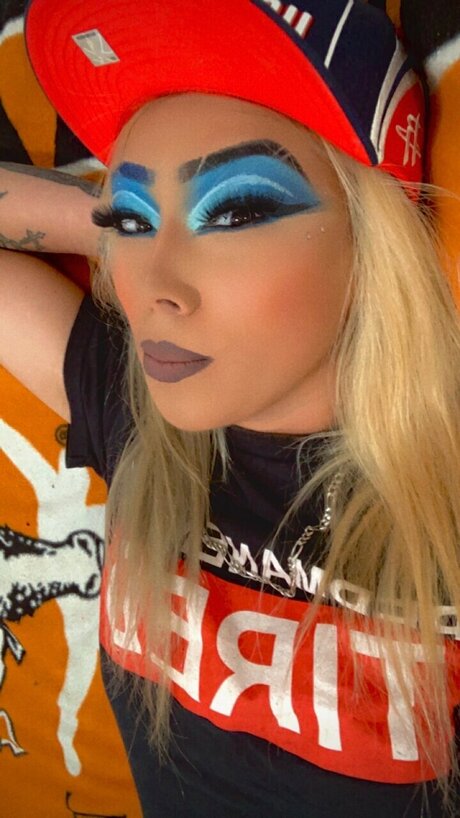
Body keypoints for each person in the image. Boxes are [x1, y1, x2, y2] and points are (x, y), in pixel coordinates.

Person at [1, 0, 460, 815]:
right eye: (131, 219)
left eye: (238, 209)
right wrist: (106, 224)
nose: (155, 288)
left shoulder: (441, 507)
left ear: (375, 235)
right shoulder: (138, 415)